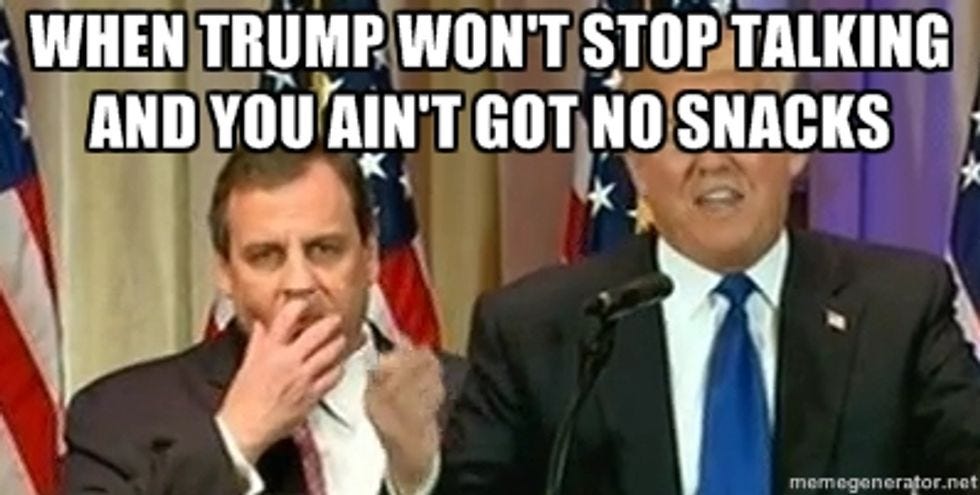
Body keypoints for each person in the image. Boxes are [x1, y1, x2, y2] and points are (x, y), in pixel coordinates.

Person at [429, 31, 980, 495]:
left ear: (796, 148)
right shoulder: (539, 330)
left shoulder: (898, 309)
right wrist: (416, 470)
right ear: (638, 168)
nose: (713, 159)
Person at [61, 147, 466, 494]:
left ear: (370, 256)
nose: (299, 283)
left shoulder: (467, 397)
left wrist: (418, 479)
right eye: (266, 256)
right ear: (225, 272)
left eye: (324, 249)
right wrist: (235, 439)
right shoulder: (121, 416)